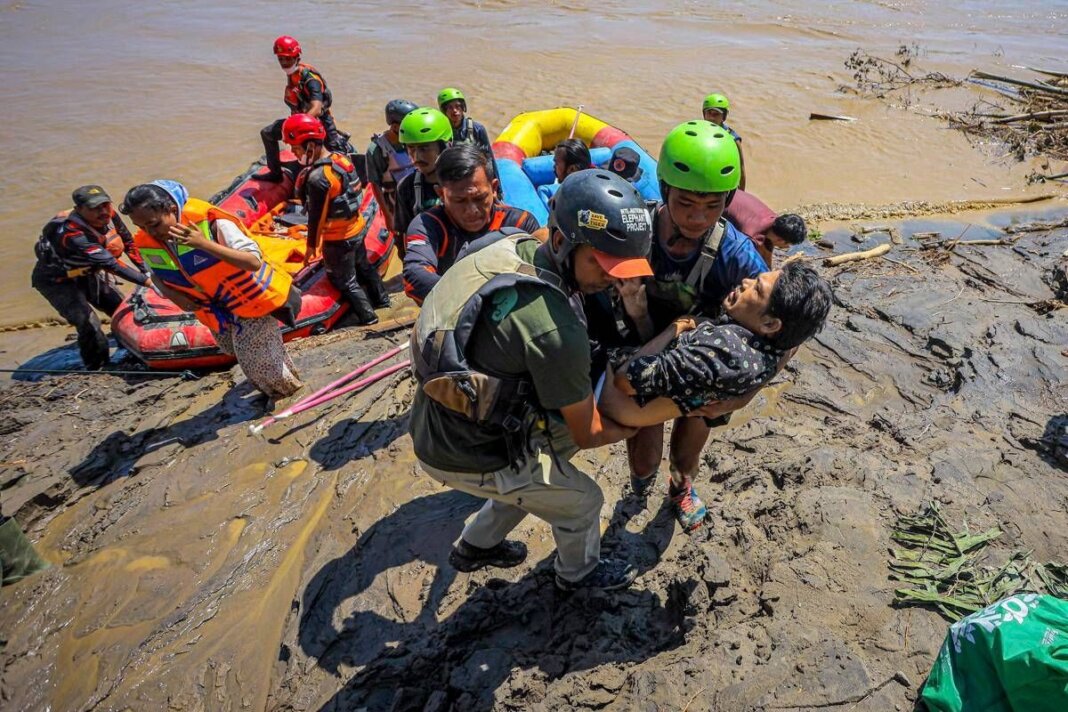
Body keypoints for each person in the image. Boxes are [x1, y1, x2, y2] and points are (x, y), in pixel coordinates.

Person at [408, 169, 654, 592]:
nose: (614, 278)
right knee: (582, 501)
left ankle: (474, 547)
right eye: (602, 263)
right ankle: (577, 576)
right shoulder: (555, 331)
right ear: (561, 242)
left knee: (536, 482)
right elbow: (589, 433)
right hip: (464, 450)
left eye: (623, 268)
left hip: (433, 420)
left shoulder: (512, 244)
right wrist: (637, 424)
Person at [585, 120, 768, 533]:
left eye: (713, 206)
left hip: (701, 368)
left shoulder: (736, 253)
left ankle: (681, 487)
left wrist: (741, 397)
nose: (698, 218)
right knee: (643, 454)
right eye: (685, 203)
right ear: (664, 190)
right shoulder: (635, 232)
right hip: (642, 355)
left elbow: (784, 333)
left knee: (688, 449)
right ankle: (641, 485)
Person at [121, 180, 303, 399]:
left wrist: (203, 244)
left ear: (171, 209)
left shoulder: (213, 224)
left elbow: (253, 262)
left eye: (154, 224)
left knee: (256, 358)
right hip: (215, 310)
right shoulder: (149, 241)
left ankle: (287, 396)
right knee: (233, 348)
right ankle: (283, 380)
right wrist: (173, 295)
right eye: (142, 227)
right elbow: (155, 275)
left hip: (249, 300)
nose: (150, 232)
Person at [599, 262, 832, 427]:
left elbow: (624, 380)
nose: (745, 282)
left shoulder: (720, 353)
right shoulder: (778, 345)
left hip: (613, 398)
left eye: (757, 288)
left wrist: (677, 326)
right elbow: (791, 350)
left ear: (770, 324)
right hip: (649, 392)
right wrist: (744, 399)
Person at [402, 144, 544, 304]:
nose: (472, 210)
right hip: (456, 310)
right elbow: (415, 274)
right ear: (441, 194)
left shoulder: (520, 222)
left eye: (479, 198)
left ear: (494, 188)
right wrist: (476, 298)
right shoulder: (428, 225)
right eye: (459, 200)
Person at [282, 113, 387, 326]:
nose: (294, 153)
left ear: (310, 145)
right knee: (365, 267)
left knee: (345, 281)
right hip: (356, 228)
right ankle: (383, 301)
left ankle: (368, 317)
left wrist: (311, 247)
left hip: (338, 239)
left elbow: (317, 217)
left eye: (296, 148)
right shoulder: (340, 159)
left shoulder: (318, 178)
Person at [32, 185, 152, 369]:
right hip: (57, 281)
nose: (103, 211)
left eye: (105, 205)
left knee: (123, 309)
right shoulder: (72, 233)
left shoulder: (109, 215)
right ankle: (97, 366)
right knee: (89, 323)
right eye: (95, 208)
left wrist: (146, 271)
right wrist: (150, 283)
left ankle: (132, 351)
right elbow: (111, 264)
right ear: (79, 209)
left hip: (88, 271)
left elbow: (128, 242)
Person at [260, 35, 351, 183]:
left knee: (335, 157)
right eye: (281, 59)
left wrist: (298, 126)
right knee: (268, 133)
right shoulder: (292, 75)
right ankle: (275, 173)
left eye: (288, 59)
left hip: (318, 124)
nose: (284, 63)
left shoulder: (310, 79)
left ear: (297, 57)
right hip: (299, 121)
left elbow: (316, 107)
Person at [393, 108, 454, 238]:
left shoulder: (463, 180)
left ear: (444, 147)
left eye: (424, 148)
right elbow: (404, 233)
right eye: (411, 148)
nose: (417, 157)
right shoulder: (405, 188)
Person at [366, 99, 419, 247]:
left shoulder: (411, 142)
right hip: (396, 205)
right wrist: (388, 216)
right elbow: (375, 185)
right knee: (403, 246)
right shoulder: (377, 150)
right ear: (395, 126)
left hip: (416, 198)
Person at [724, 190, 807, 266]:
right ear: (781, 240)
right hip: (720, 204)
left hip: (729, 191)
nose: (788, 247)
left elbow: (767, 246)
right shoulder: (750, 237)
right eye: (788, 244)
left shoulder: (773, 218)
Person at [702, 93, 747, 191]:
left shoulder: (733, 140)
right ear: (704, 114)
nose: (711, 118)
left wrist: (741, 193)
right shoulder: (698, 133)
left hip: (722, 184)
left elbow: (741, 170)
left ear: (724, 117)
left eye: (716, 114)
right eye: (709, 113)